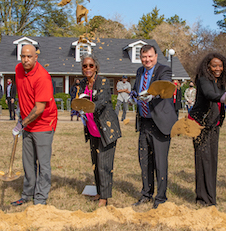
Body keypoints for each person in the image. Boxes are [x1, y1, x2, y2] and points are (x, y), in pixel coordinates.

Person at [10, 44, 58, 206]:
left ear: (36, 57)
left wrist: (21, 124)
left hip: (44, 124)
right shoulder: (18, 70)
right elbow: (22, 93)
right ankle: (27, 194)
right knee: (28, 162)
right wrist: (20, 112)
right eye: (23, 56)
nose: (25, 60)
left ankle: (40, 199)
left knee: (43, 164)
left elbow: (39, 108)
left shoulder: (42, 77)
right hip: (27, 123)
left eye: (29, 56)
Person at [133, 45, 178, 209]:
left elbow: (164, 87)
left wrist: (152, 94)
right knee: (144, 161)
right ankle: (146, 194)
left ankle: (161, 198)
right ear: (140, 57)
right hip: (144, 122)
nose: (147, 60)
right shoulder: (139, 72)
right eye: (144, 57)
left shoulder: (163, 70)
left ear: (156, 56)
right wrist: (133, 94)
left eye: (150, 56)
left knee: (160, 162)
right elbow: (136, 88)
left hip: (160, 123)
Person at [74, 56, 122, 207]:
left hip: (106, 129)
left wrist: (86, 103)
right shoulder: (82, 83)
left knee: (104, 164)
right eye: (84, 66)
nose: (87, 68)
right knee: (95, 163)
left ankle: (105, 197)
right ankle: (99, 191)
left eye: (91, 65)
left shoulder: (103, 81)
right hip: (92, 129)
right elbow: (77, 101)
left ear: (96, 67)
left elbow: (101, 102)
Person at [189, 53, 226, 207]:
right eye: (214, 65)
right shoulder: (203, 80)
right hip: (200, 126)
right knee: (203, 161)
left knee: (212, 161)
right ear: (207, 66)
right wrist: (223, 98)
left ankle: (211, 198)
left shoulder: (220, 82)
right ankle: (202, 199)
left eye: (220, 66)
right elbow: (210, 95)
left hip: (214, 126)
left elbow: (222, 97)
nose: (218, 69)